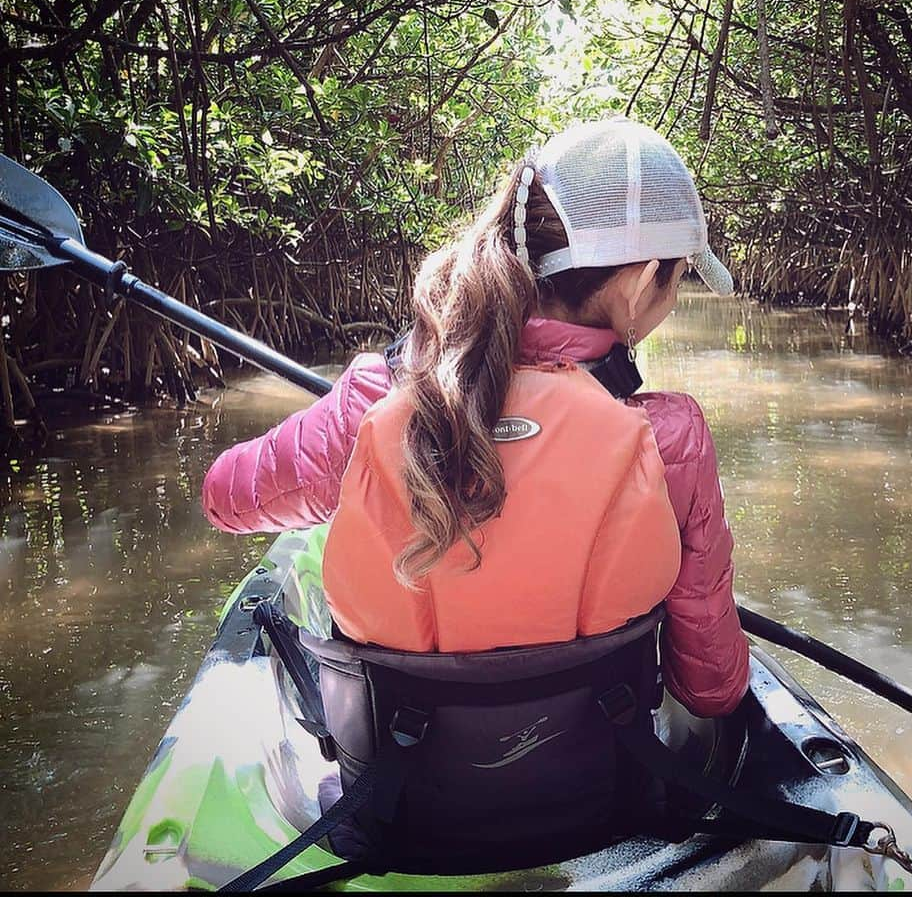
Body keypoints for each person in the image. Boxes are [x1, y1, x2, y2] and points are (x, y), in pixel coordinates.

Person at [202, 116, 749, 721]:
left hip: (397, 796)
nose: (669, 302)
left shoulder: (379, 398)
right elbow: (711, 691)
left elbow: (224, 497)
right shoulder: (673, 440)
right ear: (643, 281)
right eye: (675, 282)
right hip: (597, 790)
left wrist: (352, 427)